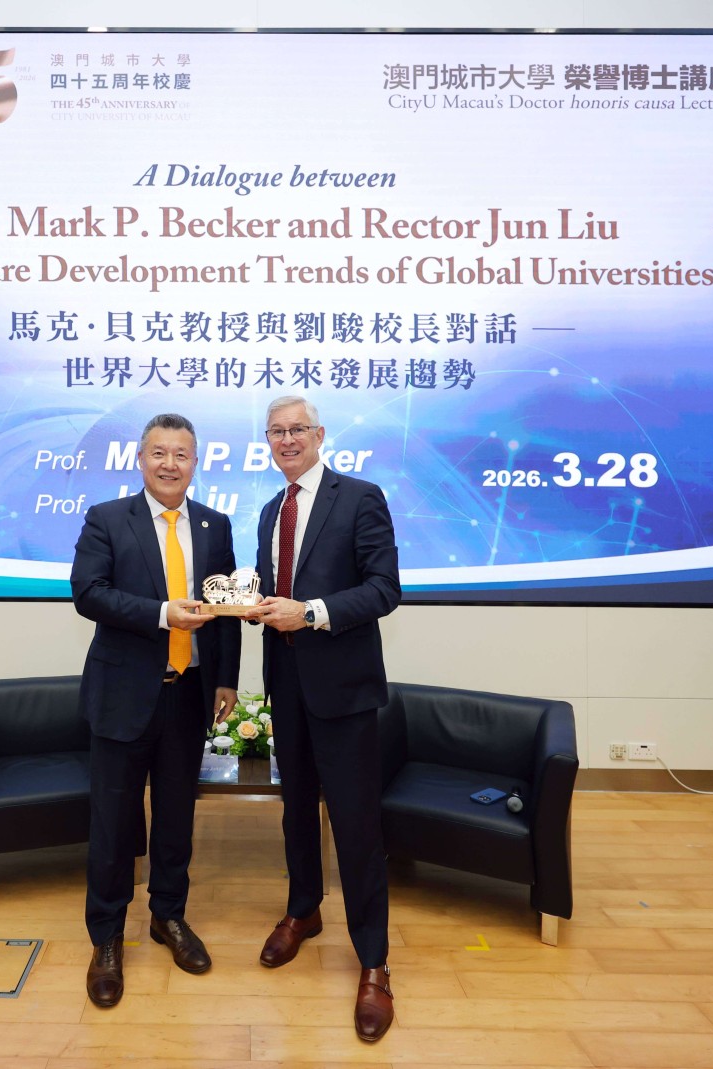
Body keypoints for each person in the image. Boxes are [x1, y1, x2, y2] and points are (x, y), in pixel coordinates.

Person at [70, 413, 240, 1008]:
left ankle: (169, 916)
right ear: (140, 459)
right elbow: (88, 593)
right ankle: (107, 937)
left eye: (182, 454)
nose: (170, 464)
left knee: (175, 818)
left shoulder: (215, 524)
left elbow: (226, 608)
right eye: (159, 453)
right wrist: (164, 614)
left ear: (196, 463)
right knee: (113, 825)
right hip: (123, 695)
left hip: (189, 693)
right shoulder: (106, 518)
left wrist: (226, 678)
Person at [248, 395, 402, 1042]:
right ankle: (303, 911)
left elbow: (384, 589)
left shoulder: (360, 497)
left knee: (356, 823)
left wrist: (308, 612)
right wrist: (253, 603)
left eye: (297, 430)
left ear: (319, 435)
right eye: (276, 432)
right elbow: (275, 590)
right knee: (295, 810)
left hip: (344, 691)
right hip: (286, 686)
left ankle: (374, 961)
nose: (287, 440)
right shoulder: (269, 509)